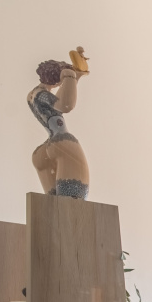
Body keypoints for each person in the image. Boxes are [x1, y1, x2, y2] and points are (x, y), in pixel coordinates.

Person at [28, 46, 92, 198]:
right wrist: (69, 75)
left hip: (43, 150)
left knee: (53, 204)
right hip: (62, 141)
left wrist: (77, 76)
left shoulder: (33, 95)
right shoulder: (43, 95)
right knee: (73, 198)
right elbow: (66, 105)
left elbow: (56, 102)